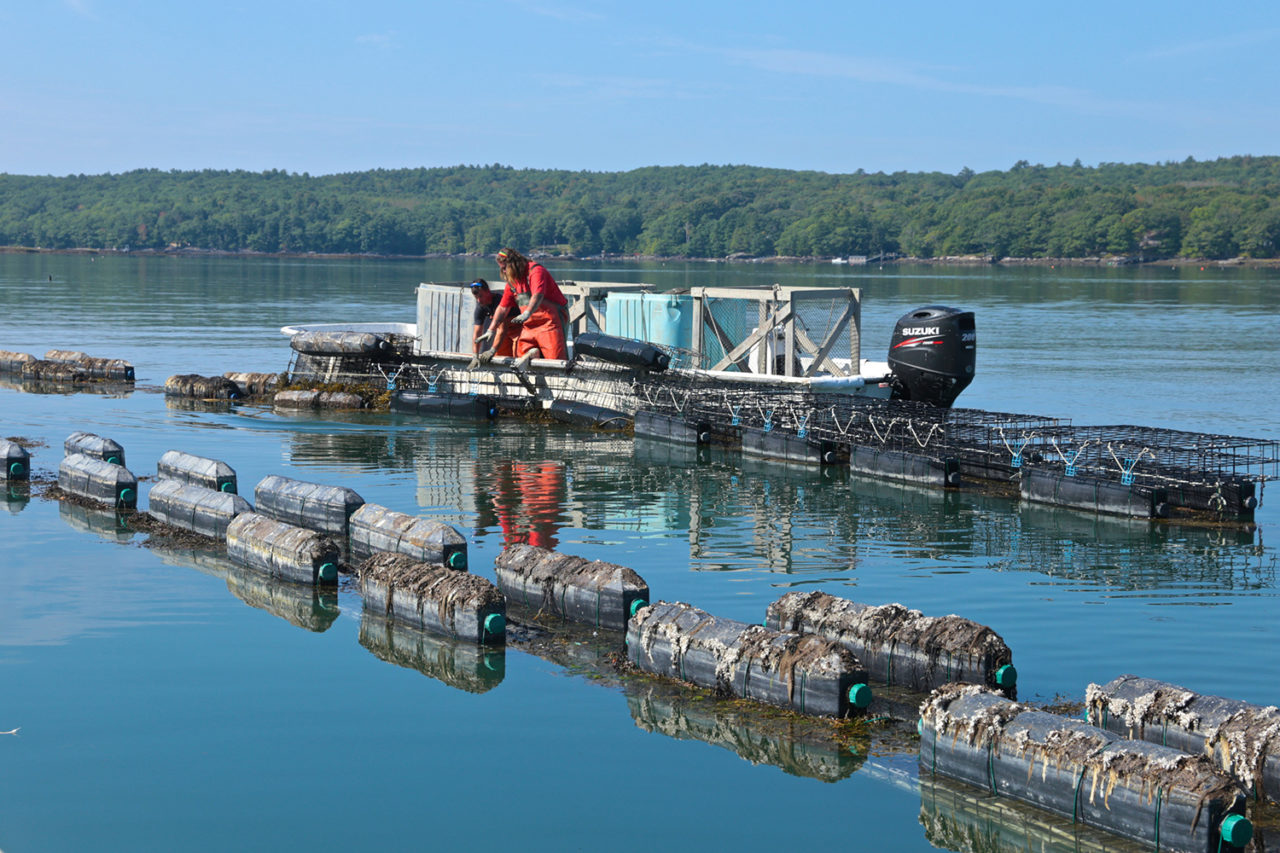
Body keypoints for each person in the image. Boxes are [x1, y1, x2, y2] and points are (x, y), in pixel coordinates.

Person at [474, 248, 568, 367]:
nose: (503, 271)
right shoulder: (513, 282)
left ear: (513, 264)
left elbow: (537, 295)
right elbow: (503, 308)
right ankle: (534, 357)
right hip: (528, 325)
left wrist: (527, 312)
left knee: (555, 359)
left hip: (550, 322)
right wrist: (491, 330)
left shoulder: (535, 271)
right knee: (521, 355)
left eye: (504, 268)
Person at [468, 279, 514, 356]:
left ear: (488, 291)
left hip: (518, 329)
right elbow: (477, 333)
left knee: (518, 354)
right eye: (476, 298)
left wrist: (492, 351)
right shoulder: (480, 307)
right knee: (500, 355)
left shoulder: (499, 302)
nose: (479, 300)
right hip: (504, 334)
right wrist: (475, 355)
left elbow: (502, 329)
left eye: (481, 296)